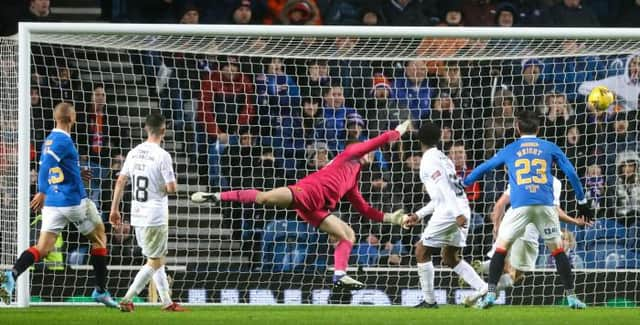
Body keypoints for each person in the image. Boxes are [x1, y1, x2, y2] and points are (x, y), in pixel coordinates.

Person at [191, 122, 413, 289]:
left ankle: (339, 275)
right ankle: (217, 196)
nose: (370, 153)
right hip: (305, 192)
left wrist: (391, 218)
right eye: (366, 149)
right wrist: (400, 130)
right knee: (265, 198)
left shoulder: (353, 179)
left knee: (348, 234)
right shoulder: (349, 154)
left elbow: (364, 209)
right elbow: (381, 139)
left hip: (317, 210)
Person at [462, 110, 594, 309]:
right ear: (538, 129)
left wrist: (466, 181)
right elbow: (572, 173)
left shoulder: (510, 148)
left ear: (517, 127)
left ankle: (489, 296)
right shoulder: (550, 147)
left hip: (520, 207)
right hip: (545, 206)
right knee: (558, 252)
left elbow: (485, 167)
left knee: (501, 249)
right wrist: (583, 202)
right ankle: (572, 297)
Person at [0, 103, 117, 307]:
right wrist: (42, 190)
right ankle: (100, 290)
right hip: (72, 202)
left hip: (53, 205)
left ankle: (12, 275)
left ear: (56, 118)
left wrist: (76, 173)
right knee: (99, 238)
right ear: (72, 118)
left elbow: (57, 166)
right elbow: (46, 166)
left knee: (42, 248)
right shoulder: (62, 140)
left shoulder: (49, 139)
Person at [401, 122, 488, 308]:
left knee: (421, 250)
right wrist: (419, 214)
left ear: (419, 140)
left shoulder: (428, 160)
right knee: (449, 257)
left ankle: (429, 301)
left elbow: (443, 188)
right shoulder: (444, 158)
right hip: (461, 207)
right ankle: (482, 288)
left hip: (451, 211)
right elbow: (441, 195)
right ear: (439, 139)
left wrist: (456, 214)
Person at [109, 113, 185, 312]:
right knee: (155, 260)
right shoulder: (162, 155)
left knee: (155, 257)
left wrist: (114, 209)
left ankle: (167, 301)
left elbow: (120, 181)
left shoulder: (134, 152)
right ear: (163, 131)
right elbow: (171, 188)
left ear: (145, 129)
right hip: (155, 215)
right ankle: (127, 298)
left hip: (137, 215)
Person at [475, 177, 593, 292]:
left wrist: (497, 227)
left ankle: (480, 268)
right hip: (528, 233)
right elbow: (555, 210)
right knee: (515, 274)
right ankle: (481, 292)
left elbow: (499, 204)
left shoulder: (519, 176)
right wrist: (575, 221)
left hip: (510, 225)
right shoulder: (554, 182)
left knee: (503, 264)